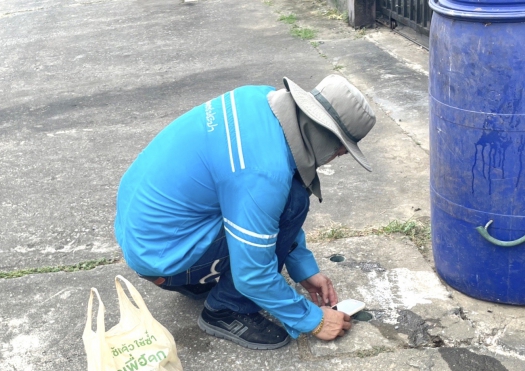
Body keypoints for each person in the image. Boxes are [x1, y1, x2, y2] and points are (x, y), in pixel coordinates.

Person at [114, 74, 376, 350]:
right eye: (340, 151)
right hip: (165, 259)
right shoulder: (264, 173)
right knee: (294, 199)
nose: (335, 157)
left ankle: (199, 279)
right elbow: (252, 273)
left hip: (147, 235)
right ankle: (227, 309)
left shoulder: (260, 99)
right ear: (324, 137)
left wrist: (303, 268)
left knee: (283, 194)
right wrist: (313, 320)